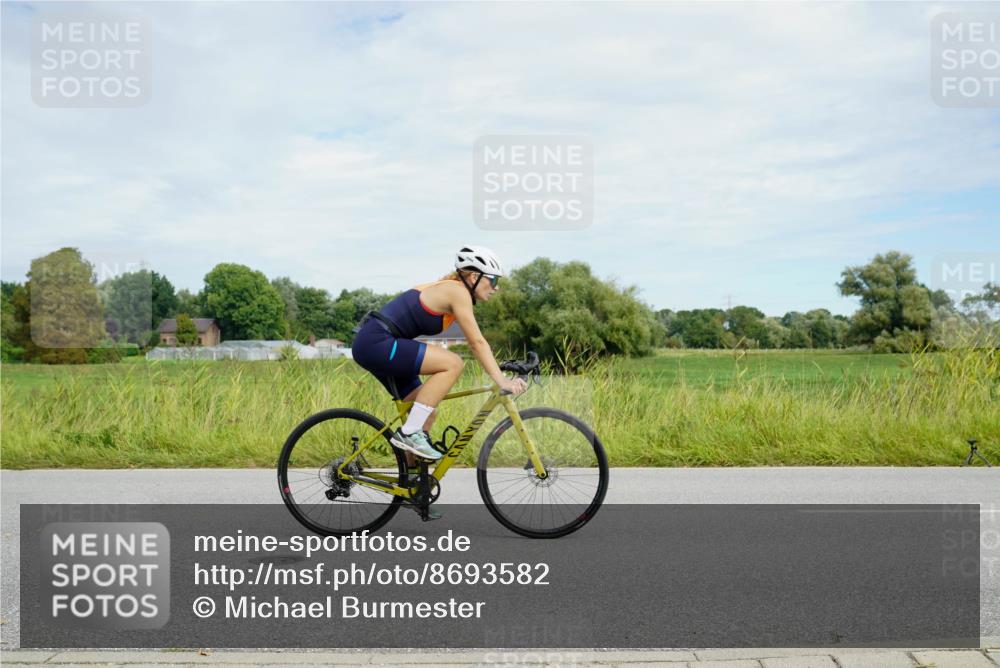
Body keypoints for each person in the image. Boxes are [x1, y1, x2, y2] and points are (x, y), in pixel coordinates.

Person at [352, 245, 528, 461]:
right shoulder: (457, 291)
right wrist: (502, 381)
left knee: (425, 413)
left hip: (379, 344)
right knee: (452, 363)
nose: (496, 288)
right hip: (378, 342)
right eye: (493, 280)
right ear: (474, 276)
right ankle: (409, 434)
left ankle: (413, 486)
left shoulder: (452, 289)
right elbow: (477, 343)